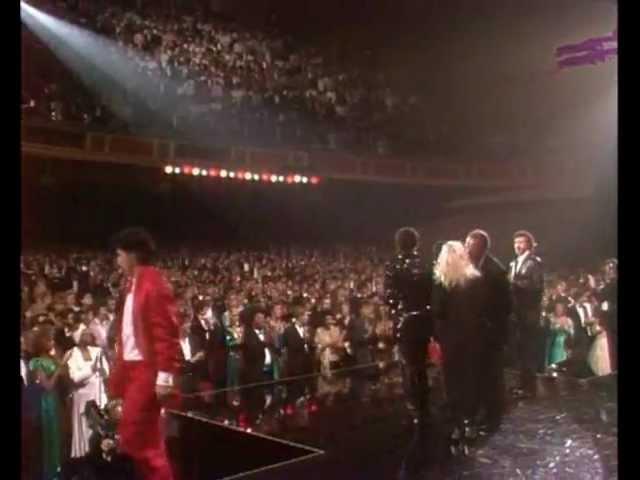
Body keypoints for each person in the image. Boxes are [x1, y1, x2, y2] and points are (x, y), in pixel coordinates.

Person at [107, 227, 182, 480]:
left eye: (119, 255)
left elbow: (167, 333)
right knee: (144, 440)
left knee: (137, 440)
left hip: (145, 371)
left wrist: (164, 377)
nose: (117, 261)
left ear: (132, 254)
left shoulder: (154, 284)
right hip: (132, 369)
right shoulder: (134, 284)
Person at [432, 241, 488, 456]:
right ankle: (470, 421)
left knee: (452, 380)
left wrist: (438, 336)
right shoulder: (475, 280)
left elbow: (437, 312)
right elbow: (483, 310)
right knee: (470, 378)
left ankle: (456, 424)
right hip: (472, 337)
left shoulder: (441, 282)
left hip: (450, 338)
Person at [384, 227, 433, 428]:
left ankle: (415, 406)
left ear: (398, 243)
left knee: (409, 365)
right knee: (420, 364)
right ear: (416, 243)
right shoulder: (427, 263)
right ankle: (424, 404)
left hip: (405, 321)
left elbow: (389, 297)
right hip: (424, 319)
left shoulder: (394, 265)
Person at [464, 229, 511, 432]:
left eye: (470, 244)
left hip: (491, 332)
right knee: (477, 373)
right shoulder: (468, 266)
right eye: (465, 243)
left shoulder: (495, 270)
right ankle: (481, 410)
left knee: (491, 374)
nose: (466, 247)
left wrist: (491, 325)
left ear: (481, 247)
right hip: (475, 331)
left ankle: (493, 415)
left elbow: (505, 305)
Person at [507, 230, 544, 398]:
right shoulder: (514, 263)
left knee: (528, 350)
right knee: (521, 350)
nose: (518, 245)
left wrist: (512, 283)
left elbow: (535, 287)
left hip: (529, 314)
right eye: (516, 242)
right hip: (518, 313)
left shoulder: (533, 263)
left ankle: (529, 388)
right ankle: (523, 385)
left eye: (521, 242)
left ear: (529, 244)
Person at [28, 326, 66, 480]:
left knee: (58, 436)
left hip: (56, 400)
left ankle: (58, 469)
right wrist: (58, 369)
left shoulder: (52, 359)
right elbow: (47, 385)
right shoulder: (37, 362)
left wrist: (59, 363)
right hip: (46, 403)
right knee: (50, 436)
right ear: (42, 342)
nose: (52, 342)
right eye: (49, 340)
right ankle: (50, 474)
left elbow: (65, 374)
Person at [67, 329, 109, 458]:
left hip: (98, 397)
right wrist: (91, 369)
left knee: (99, 430)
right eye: (83, 333)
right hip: (82, 398)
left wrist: (102, 370)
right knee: (85, 431)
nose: (87, 335)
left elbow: (106, 372)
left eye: (89, 333)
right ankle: (84, 460)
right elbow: (74, 377)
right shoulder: (72, 354)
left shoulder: (97, 352)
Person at [546, 302, 574, 368]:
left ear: (563, 309)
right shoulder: (552, 319)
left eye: (560, 308)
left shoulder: (568, 320)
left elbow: (572, 333)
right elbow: (549, 331)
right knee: (553, 360)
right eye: (557, 308)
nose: (558, 310)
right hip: (554, 343)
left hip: (564, 344)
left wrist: (566, 328)